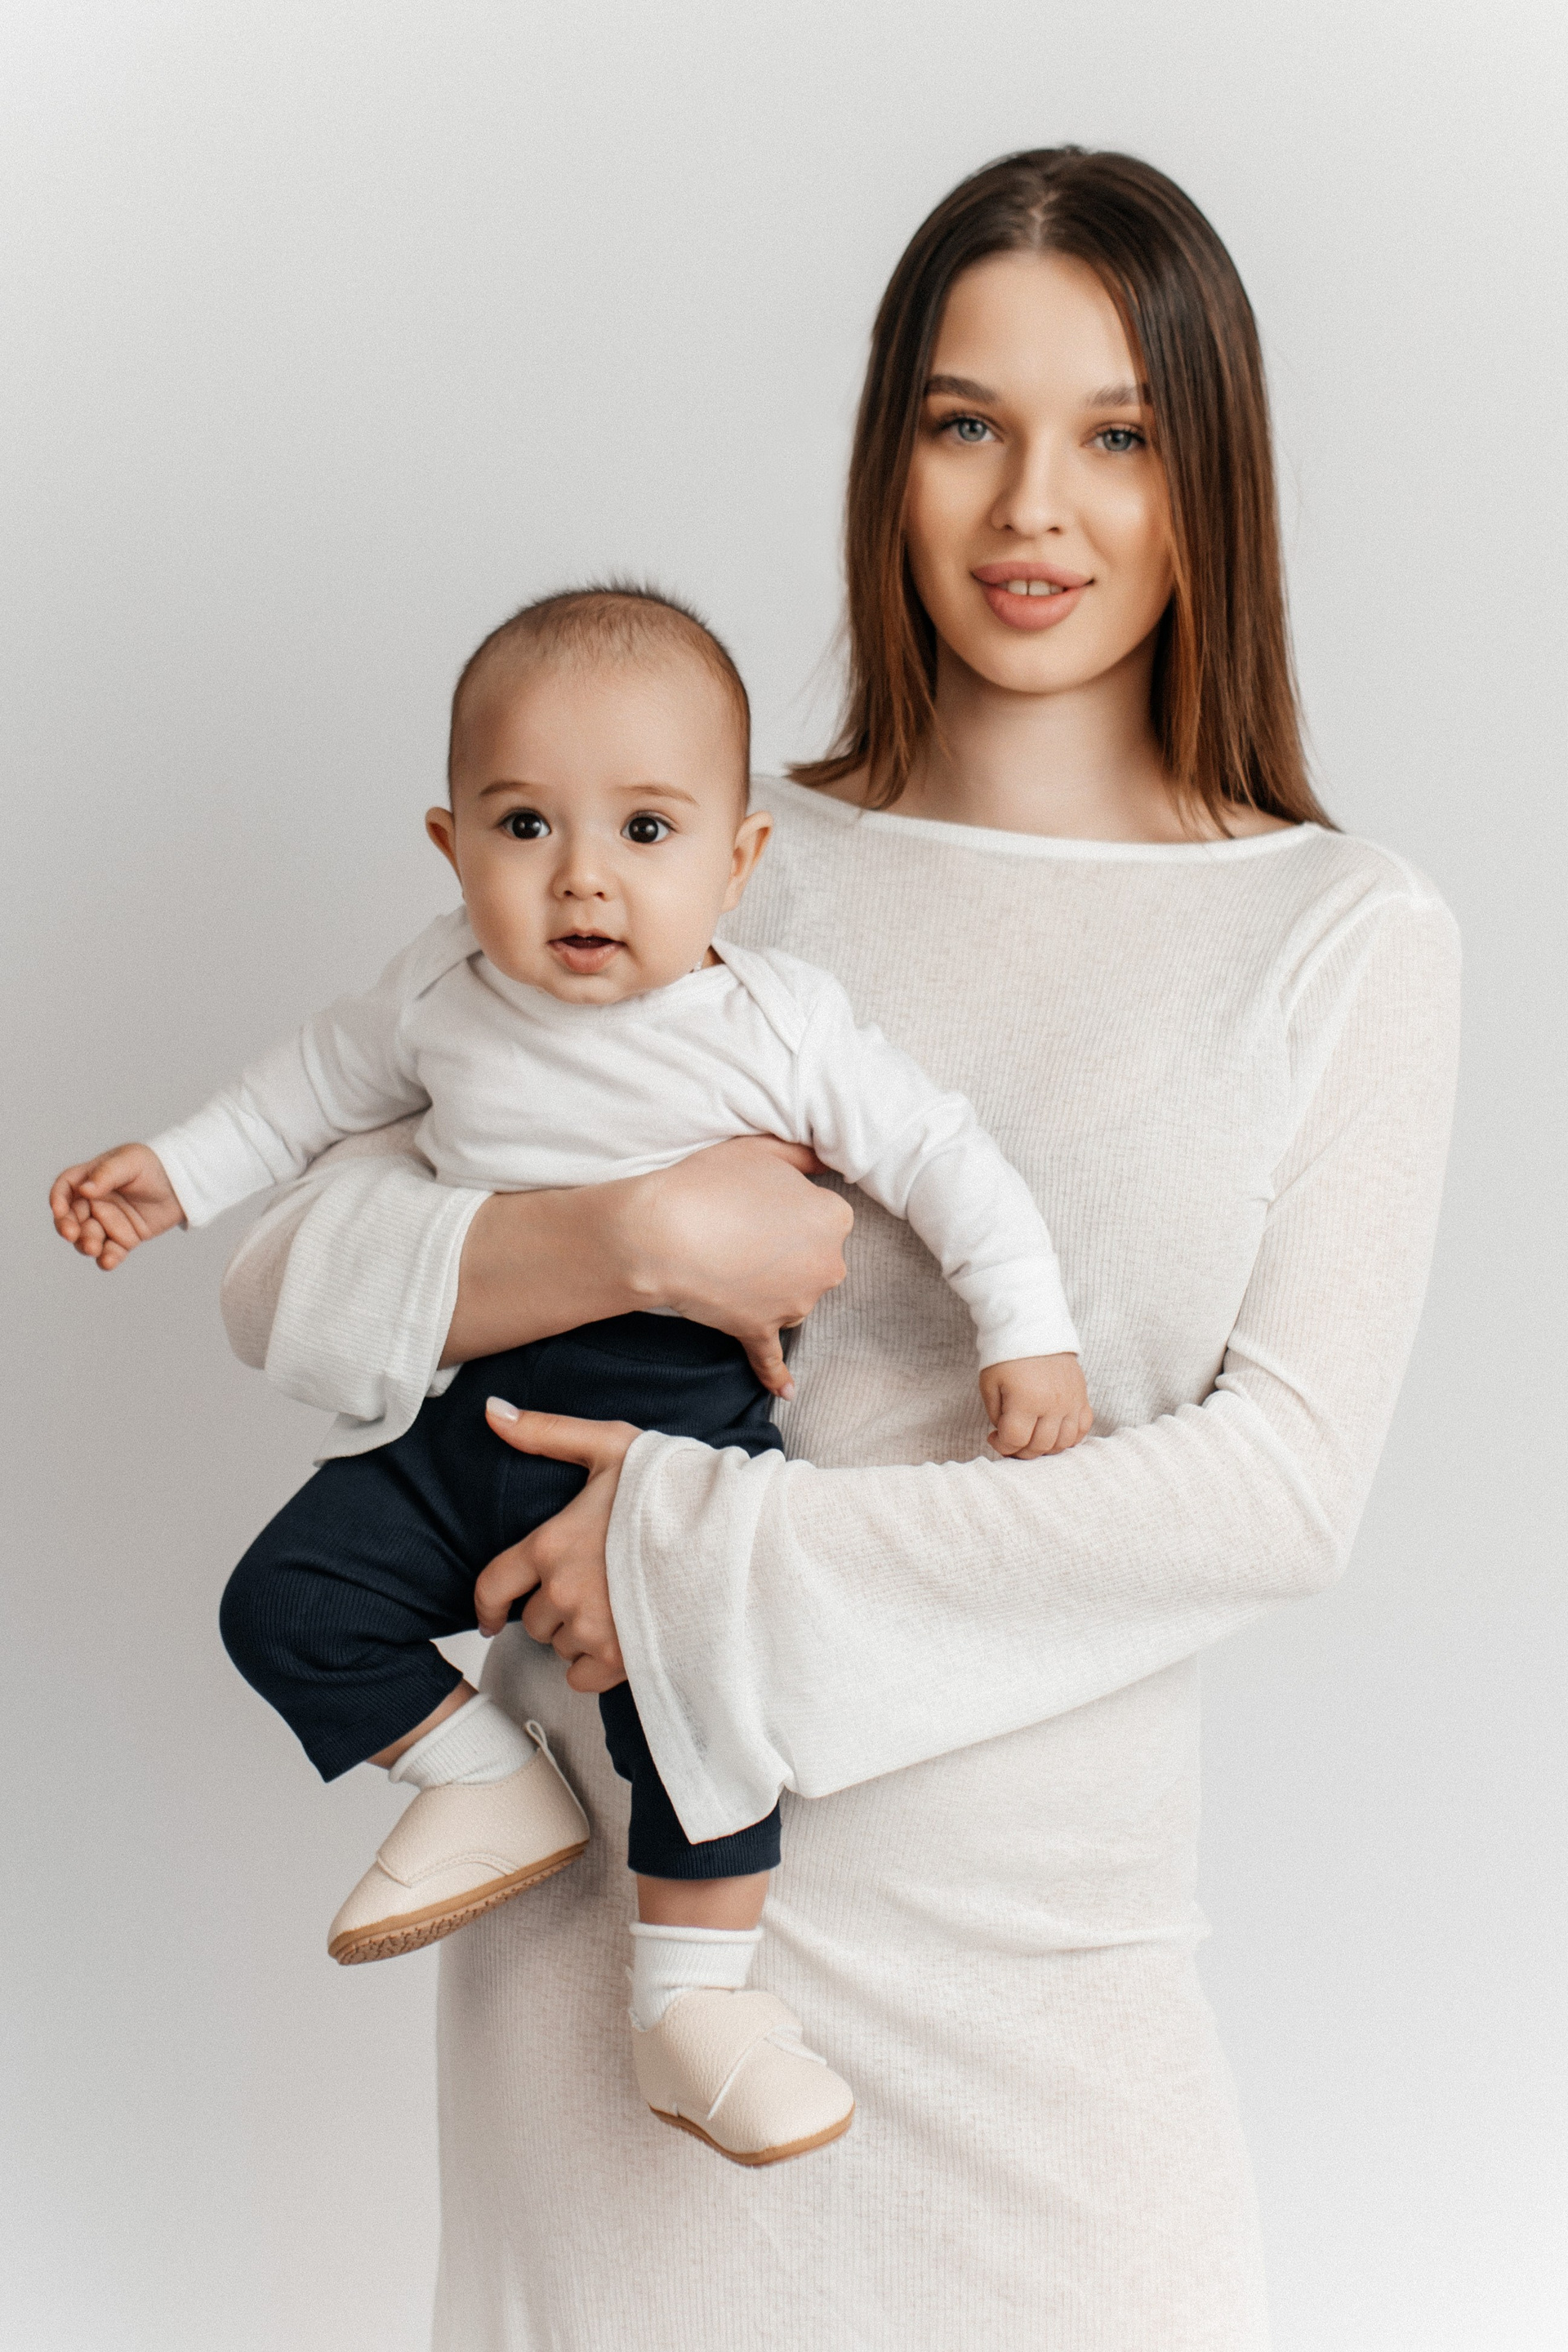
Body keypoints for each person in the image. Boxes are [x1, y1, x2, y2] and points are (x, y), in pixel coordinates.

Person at [215, 147, 1458, 2347]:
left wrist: (702, 1554)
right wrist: (630, 1231)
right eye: (969, 423)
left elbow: (1281, 1489)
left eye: (1117, 436)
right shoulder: (698, 843)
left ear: (1214, 476)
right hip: (621, 1968)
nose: (1032, 511)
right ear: (890, 450)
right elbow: (280, 1280)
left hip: (1040, 1976)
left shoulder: (1340, 935)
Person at [48, 585, 1089, 2168]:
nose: (583, 875)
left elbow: (943, 1158)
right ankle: (483, 1779)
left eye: (647, 830)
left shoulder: (774, 1022)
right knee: (286, 1604)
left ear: (739, 859)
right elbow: (297, 1097)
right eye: (525, 824)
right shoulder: (437, 993)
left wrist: (1027, 1327)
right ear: (451, 844)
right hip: (463, 1416)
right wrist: (173, 1176)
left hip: (674, 1431)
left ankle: (696, 2003)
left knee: (703, 1709)